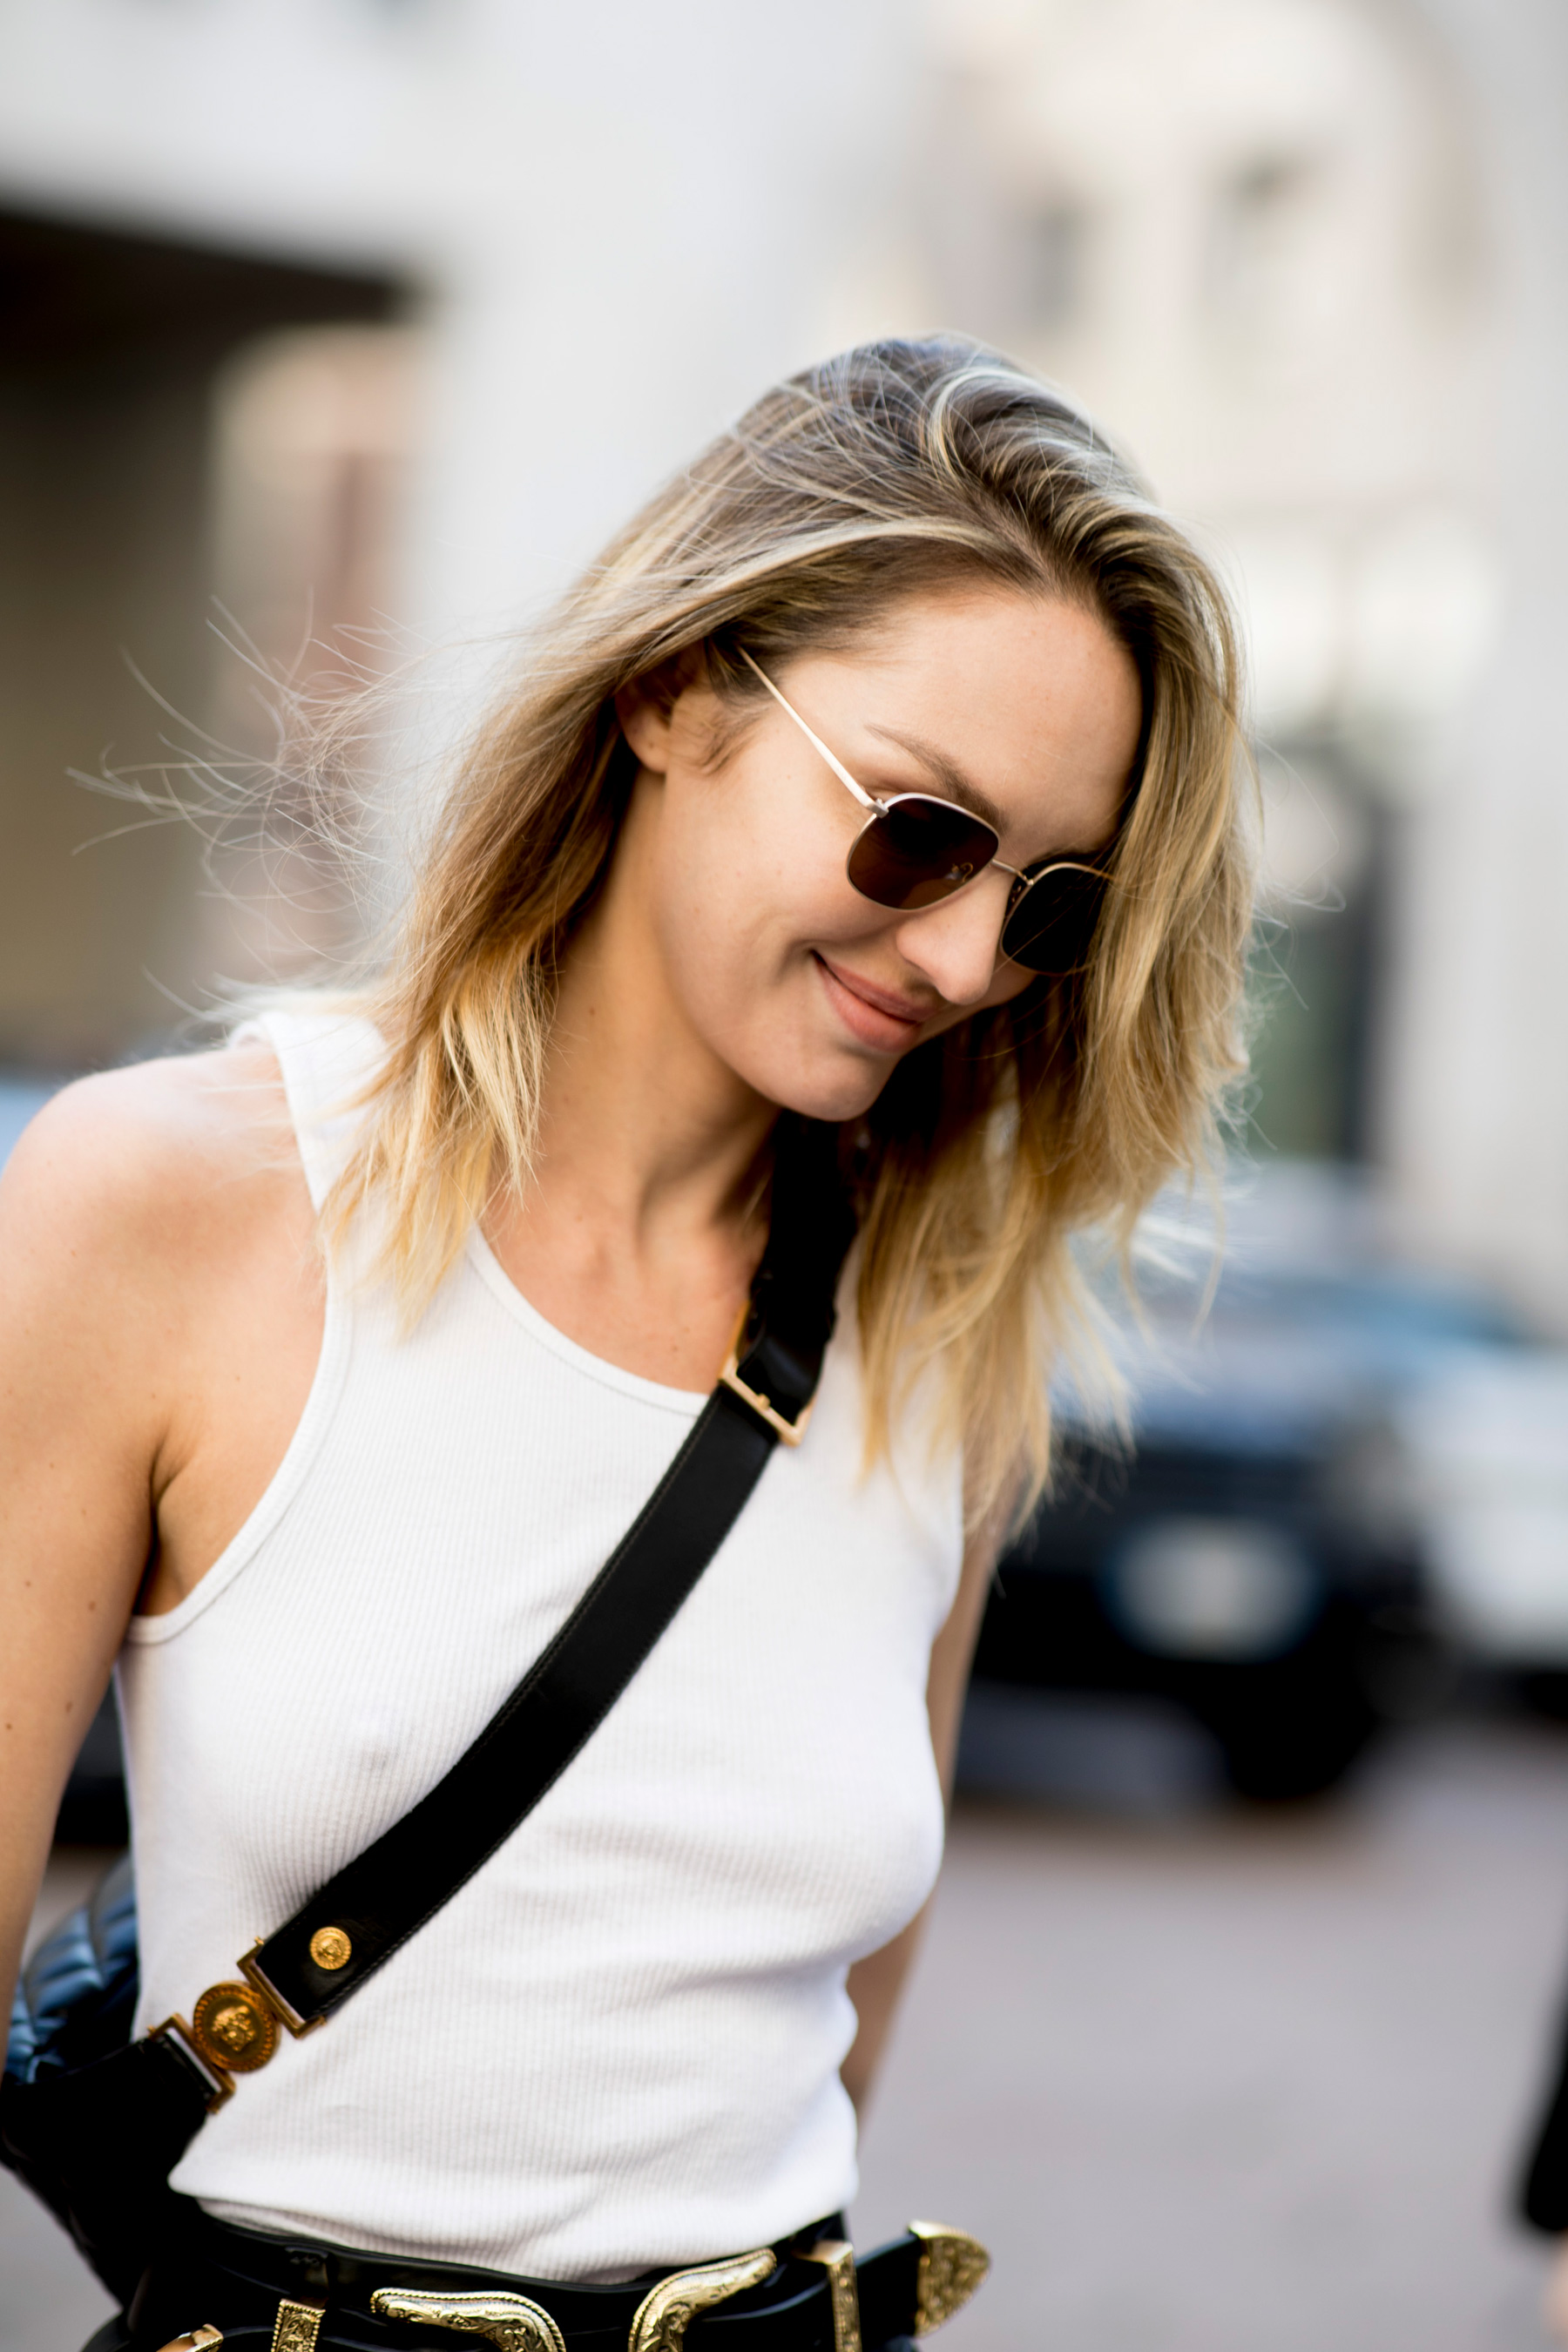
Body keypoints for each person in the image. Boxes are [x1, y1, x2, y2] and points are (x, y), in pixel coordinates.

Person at [0, 336, 1253, 2351]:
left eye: (1049, 903)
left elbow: (829, 2060)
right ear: (676, 688)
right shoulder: (168, 1205)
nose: (962, 957)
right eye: (920, 828)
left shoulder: (935, 1328)